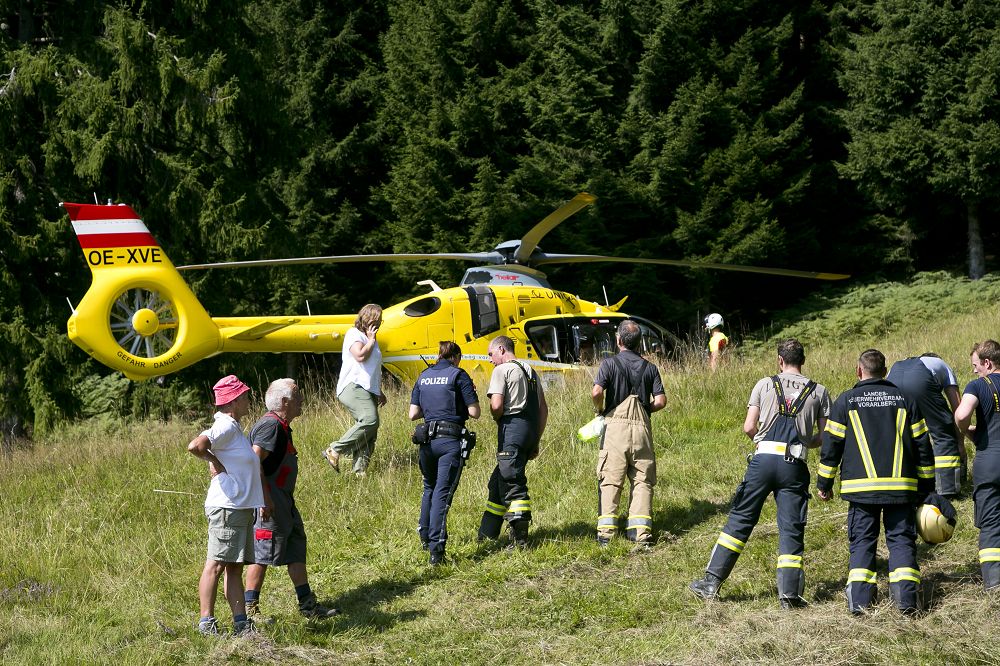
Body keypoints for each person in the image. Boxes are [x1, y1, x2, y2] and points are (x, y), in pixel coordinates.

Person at [690, 339, 831, 608]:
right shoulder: (819, 392)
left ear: (780, 360)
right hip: (794, 465)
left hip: (763, 460)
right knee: (791, 528)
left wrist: (762, 442)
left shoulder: (764, 384)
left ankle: (711, 583)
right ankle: (789, 596)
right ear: (803, 360)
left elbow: (748, 427)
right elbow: (823, 437)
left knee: (741, 519)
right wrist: (806, 442)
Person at [816, 349, 934, 615]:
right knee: (902, 541)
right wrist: (927, 487)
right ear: (886, 371)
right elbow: (923, 447)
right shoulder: (906, 400)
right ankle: (907, 603)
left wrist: (824, 483)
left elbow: (831, 446)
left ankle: (859, 603)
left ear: (859, 371)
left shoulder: (845, 401)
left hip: (861, 491)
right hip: (901, 489)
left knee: (862, 542)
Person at [245, 379, 339, 624]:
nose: (302, 401)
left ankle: (307, 605)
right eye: (298, 396)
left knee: (296, 548)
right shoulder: (270, 427)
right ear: (284, 402)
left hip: (284, 501)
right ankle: (250, 611)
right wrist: (264, 499)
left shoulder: (281, 427)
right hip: (269, 503)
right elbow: (253, 462)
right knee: (262, 555)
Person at [186, 375, 264, 635]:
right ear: (234, 400)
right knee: (217, 564)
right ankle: (206, 622)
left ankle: (241, 622)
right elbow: (196, 446)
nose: (248, 401)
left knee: (234, 566)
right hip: (227, 507)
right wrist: (215, 463)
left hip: (239, 507)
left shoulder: (234, 429)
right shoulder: (226, 426)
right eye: (245, 397)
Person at [591, 320, 666, 547]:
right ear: (639, 342)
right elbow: (661, 401)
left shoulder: (609, 364)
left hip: (616, 428)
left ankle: (606, 534)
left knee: (611, 479)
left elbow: (596, 392)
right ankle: (640, 533)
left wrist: (600, 409)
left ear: (619, 340)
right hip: (642, 429)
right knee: (642, 480)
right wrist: (645, 409)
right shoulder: (650, 367)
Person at [409, 341, 481, 565]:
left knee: (429, 488)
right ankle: (436, 549)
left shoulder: (423, 376)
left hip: (427, 443)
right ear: (456, 356)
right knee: (442, 493)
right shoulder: (458, 375)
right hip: (449, 442)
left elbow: (413, 413)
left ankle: (424, 537)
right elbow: (475, 412)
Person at [478, 335, 549, 548]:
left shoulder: (502, 370)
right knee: (498, 480)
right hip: (530, 431)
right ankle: (487, 535)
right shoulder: (532, 372)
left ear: (501, 349)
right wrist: (536, 439)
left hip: (512, 429)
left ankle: (520, 540)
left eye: (491, 354)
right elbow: (543, 410)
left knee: (512, 482)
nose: (490, 360)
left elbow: (497, 405)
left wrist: (495, 417)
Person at [955, 340, 1000, 591]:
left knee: (992, 522)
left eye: (975, 365)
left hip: (990, 461)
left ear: (987, 362)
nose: (974, 371)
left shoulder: (978, 385)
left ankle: (995, 583)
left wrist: (969, 433)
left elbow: (962, 415)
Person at [887, 353, 966, 497]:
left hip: (893, 379)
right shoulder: (941, 364)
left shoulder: (900, 364)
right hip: (919, 380)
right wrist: (960, 444)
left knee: (905, 435)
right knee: (943, 434)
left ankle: (910, 486)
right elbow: (959, 410)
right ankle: (948, 490)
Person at [324, 304, 385, 477]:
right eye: (378, 319)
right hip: (353, 386)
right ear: (368, 319)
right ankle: (335, 449)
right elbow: (359, 356)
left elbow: (370, 369)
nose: (380, 323)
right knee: (370, 420)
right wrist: (371, 340)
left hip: (368, 389)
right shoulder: (354, 334)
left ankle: (359, 472)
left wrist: (378, 390)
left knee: (370, 431)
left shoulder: (370, 338)